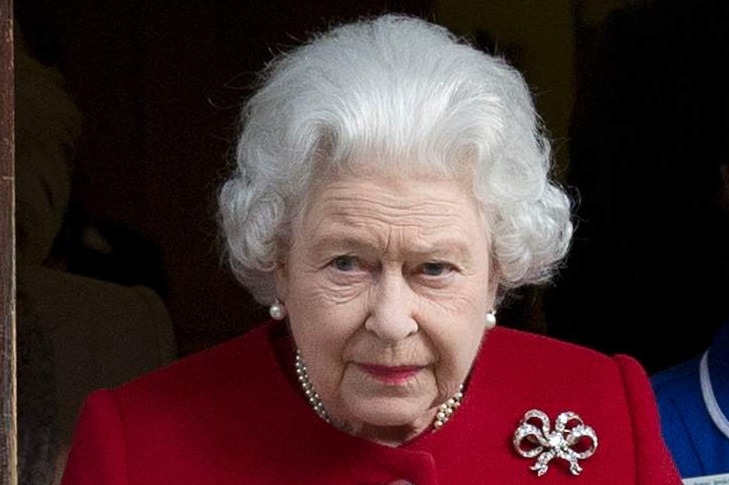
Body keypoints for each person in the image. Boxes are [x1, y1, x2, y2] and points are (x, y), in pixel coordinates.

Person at [60, 14, 682, 484]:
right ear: (278, 260)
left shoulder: (607, 408)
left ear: (497, 273)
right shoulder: (135, 448)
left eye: (434, 268)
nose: (390, 321)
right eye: (347, 263)